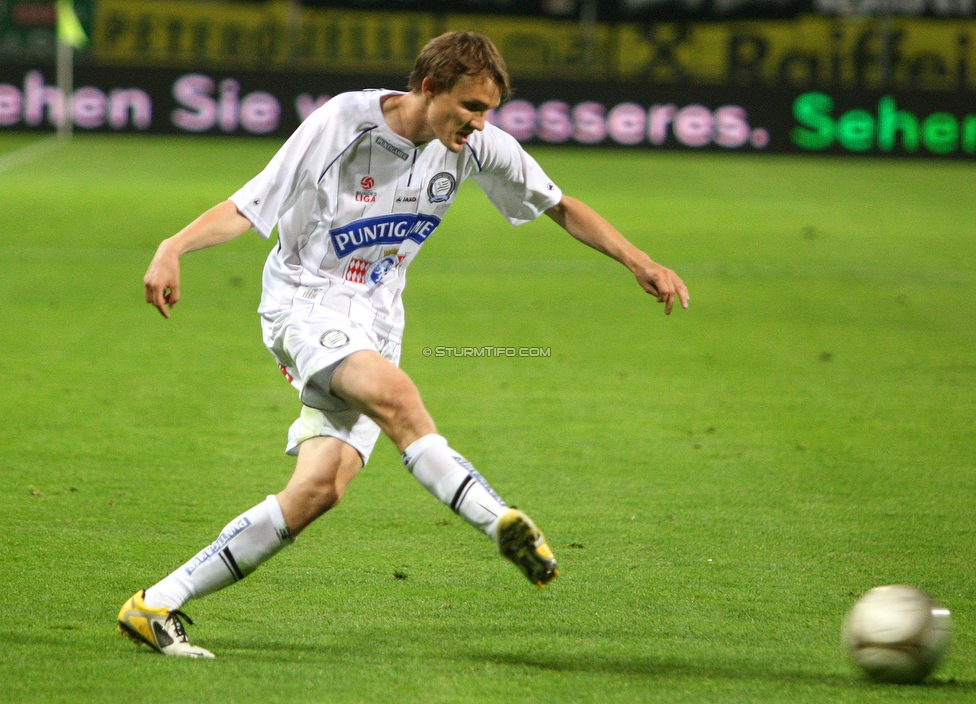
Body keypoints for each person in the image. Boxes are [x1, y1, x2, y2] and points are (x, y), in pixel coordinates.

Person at [117, 31, 689, 658]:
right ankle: (500, 521)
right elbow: (250, 205)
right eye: (469, 106)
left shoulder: (472, 146)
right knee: (398, 399)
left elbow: (559, 205)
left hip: (378, 321)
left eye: (488, 111)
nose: (478, 122)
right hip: (304, 304)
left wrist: (639, 261)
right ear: (428, 87)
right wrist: (173, 246)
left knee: (320, 489)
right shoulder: (344, 122)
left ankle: (155, 604)